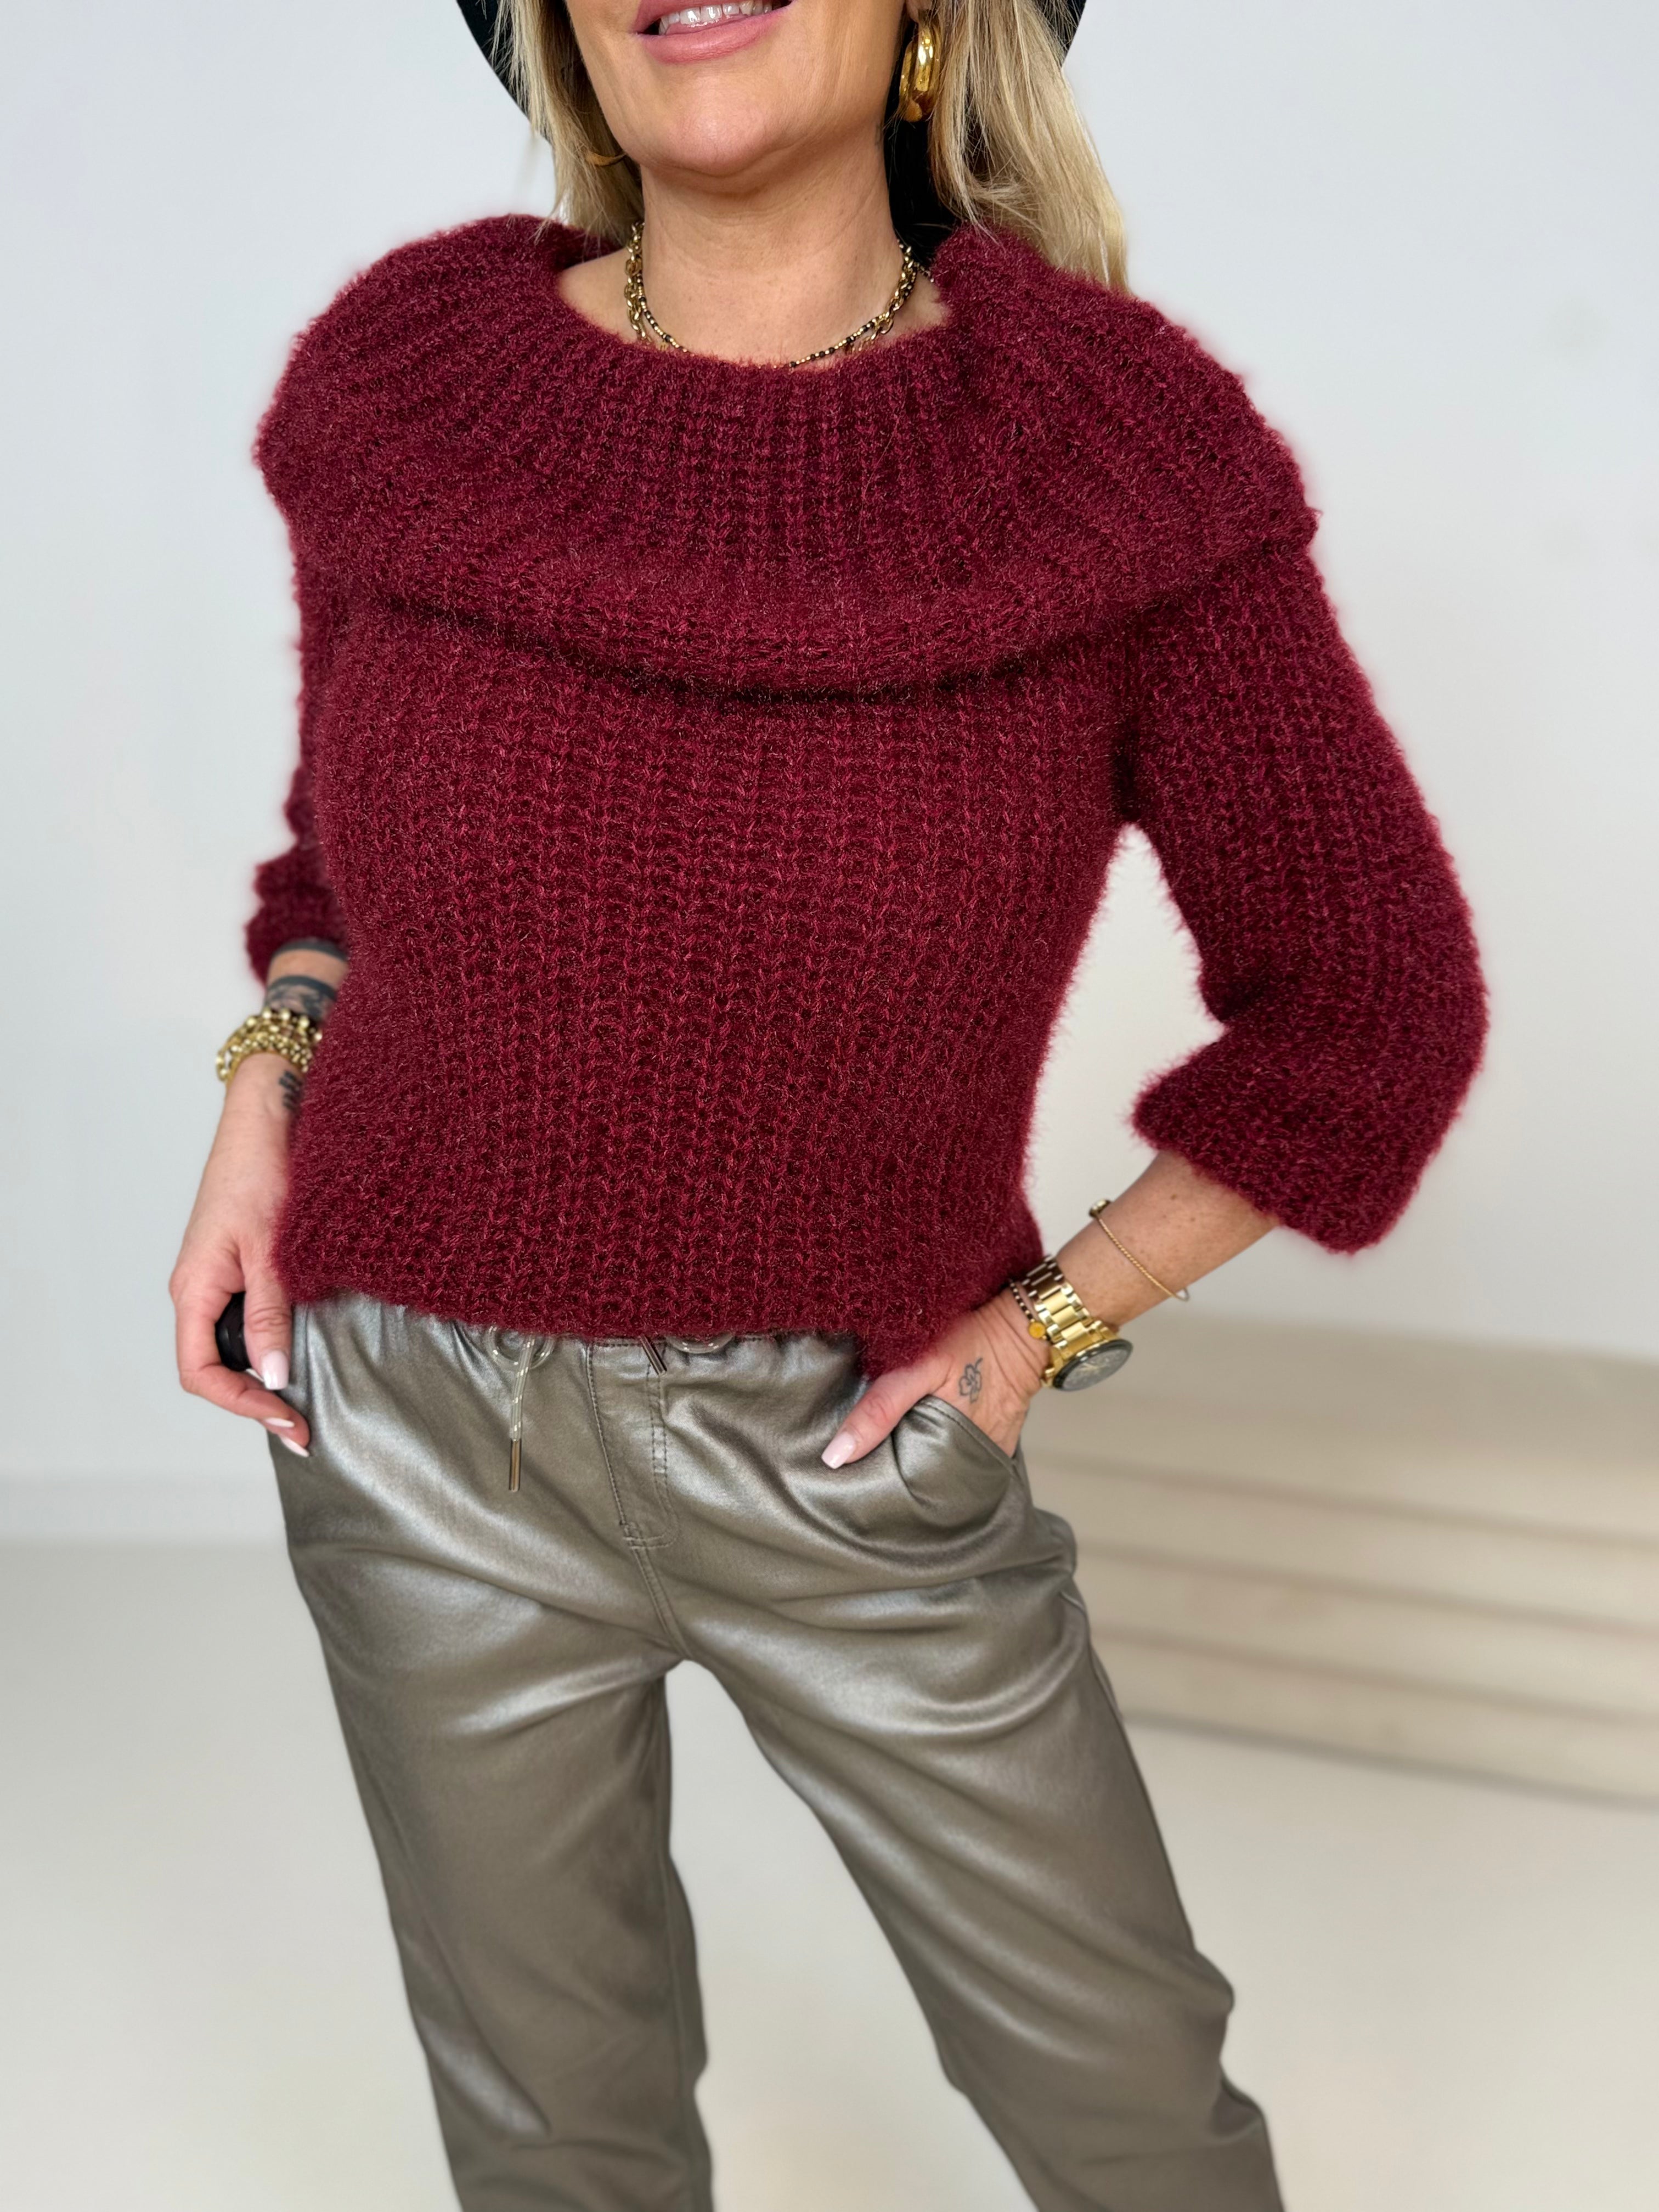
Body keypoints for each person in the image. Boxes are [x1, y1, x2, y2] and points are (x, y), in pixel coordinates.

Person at [170, 1, 1486, 2205]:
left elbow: (1371, 1002)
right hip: (408, 1427)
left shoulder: (1104, 448)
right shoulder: (416, 379)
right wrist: (264, 1097)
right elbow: (339, 864)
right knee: (553, 2144)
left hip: (858, 1451)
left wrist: (1048, 1326)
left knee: (1138, 2124)